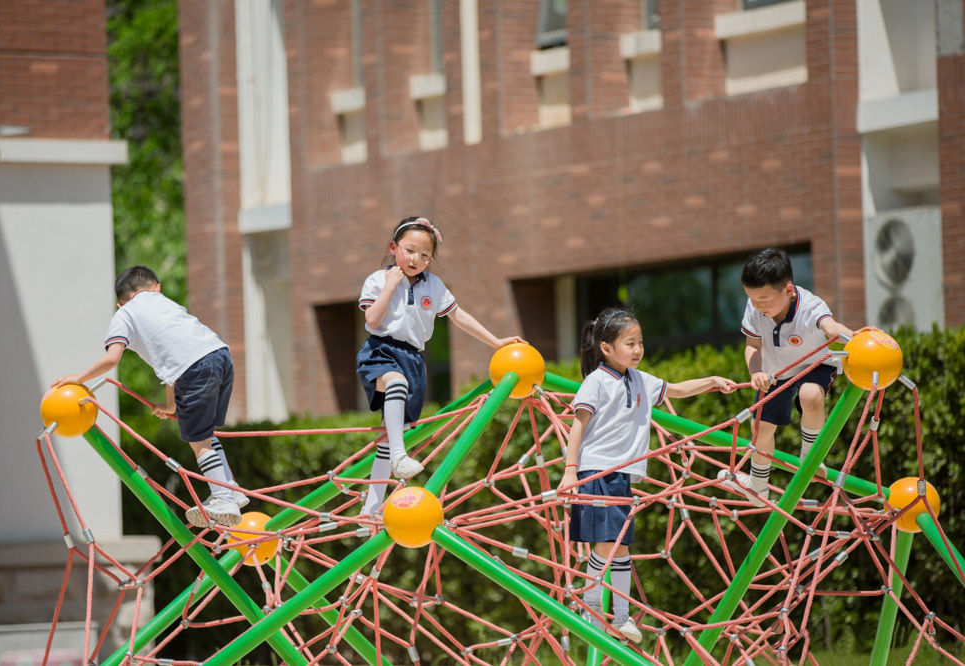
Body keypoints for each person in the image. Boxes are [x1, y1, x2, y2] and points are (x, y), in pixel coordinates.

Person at [557, 307, 734, 643]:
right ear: (606, 348)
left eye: (640, 342)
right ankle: (590, 601)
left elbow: (677, 390)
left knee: (621, 547)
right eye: (629, 343)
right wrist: (570, 470)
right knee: (609, 544)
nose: (637, 349)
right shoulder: (596, 381)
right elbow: (577, 426)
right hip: (596, 469)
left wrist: (711, 382)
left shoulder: (640, 380)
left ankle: (622, 616)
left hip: (621, 474)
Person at [52, 266, 246, 528]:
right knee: (205, 433)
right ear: (157, 287)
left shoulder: (124, 314)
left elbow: (112, 358)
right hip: (220, 356)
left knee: (198, 439)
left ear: (120, 302)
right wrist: (169, 405)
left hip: (195, 368)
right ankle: (230, 488)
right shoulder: (165, 303)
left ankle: (223, 498)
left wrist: (79, 378)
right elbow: (172, 361)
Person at [357, 216, 524, 518]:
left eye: (424, 255)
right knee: (395, 385)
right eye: (409, 250)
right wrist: (391, 284)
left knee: (390, 432)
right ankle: (399, 458)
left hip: (413, 359)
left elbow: (459, 317)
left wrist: (496, 341)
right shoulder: (378, 280)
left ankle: (372, 505)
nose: (416, 259)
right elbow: (372, 320)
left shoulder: (433, 285)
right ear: (393, 248)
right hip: (381, 350)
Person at [719, 248, 855, 506]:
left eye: (764, 299)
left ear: (789, 290)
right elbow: (753, 346)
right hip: (775, 373)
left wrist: (854, 336)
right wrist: (755, 372)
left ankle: (810, 459)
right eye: (752, 299)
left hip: (812, 365)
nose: (758, 305)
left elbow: (831, 328)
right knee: (760, 427)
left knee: (811, 394)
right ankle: (757, 487)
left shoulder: (811, 306)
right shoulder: (755, 307)